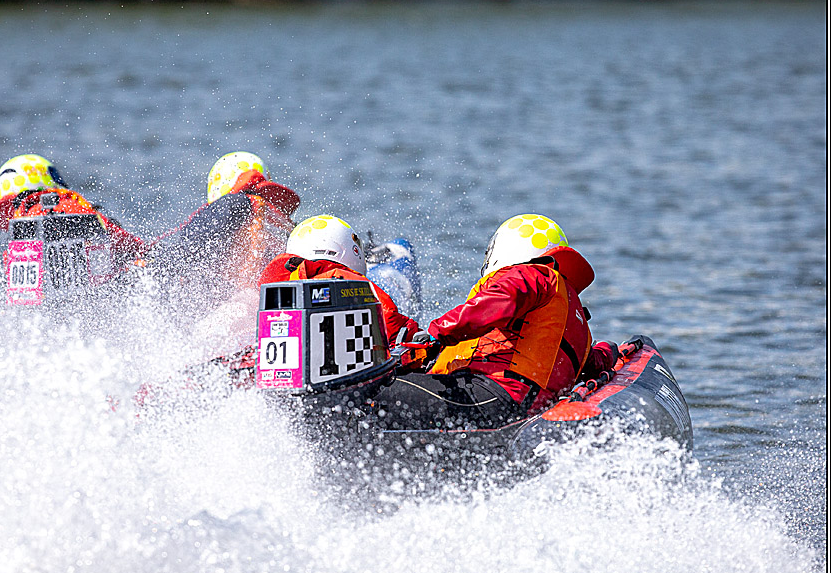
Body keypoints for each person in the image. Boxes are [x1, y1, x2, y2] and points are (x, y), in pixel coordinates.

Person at [376, 213, 619, 431]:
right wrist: (611, 351)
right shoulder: (573, 318)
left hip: (493, 396)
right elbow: (594, 363)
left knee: (367, 394)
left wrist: (437, 333)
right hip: (521, 411)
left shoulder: (536, 274)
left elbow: (500, 300)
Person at [146, 151, 300, 290]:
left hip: (235, 299)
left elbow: (186, 249)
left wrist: (155, 257)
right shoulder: (278, 220)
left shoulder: (232, 205)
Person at [258, 214, 420, 344]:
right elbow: (389, 321)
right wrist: (418, 336)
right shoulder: (346, 281)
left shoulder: (276, 289)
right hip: (338, 373)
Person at [0, 153, 148, 263]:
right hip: (86, 291)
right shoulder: (65, 204)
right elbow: (121, 239)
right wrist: (146, 251)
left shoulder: (23, 222)